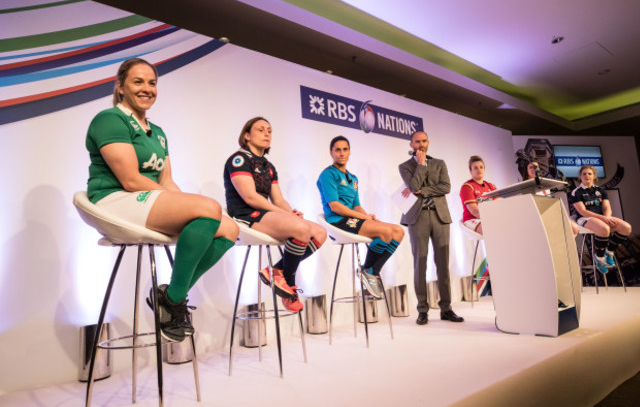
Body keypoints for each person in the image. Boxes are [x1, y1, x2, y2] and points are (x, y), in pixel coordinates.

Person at [85, 58, 239, 342]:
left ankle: (171, 297)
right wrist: (198, 207)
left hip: (145, 199)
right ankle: (172, 301)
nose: (147, 88)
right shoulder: (110, 119)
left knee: (229, 228)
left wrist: (189, 203)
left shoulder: (158, 133)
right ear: (120, 87)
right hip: (114, 199)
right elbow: (130, 179)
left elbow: (166, 181)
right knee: (209, 209)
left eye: (152, 83)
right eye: (138, 81)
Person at [224, 117, 327, 312]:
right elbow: (250, 198)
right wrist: (286, 215)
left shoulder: (268, 166)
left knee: (319, 232)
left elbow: (278, 200)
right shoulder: (239, 159)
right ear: (247, 136)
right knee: (301, 229)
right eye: (261, 130)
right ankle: (288, 282)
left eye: (269, 131)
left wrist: (290, 212)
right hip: (245, 216)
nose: (266, 134)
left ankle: (276, 271)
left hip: (265, 215)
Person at [317, 136, 404, 298]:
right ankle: (370, 272)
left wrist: (367, 217)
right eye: (337, 150)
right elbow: (335, 206)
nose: (342, 153)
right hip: (337, 221)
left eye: (345, 149)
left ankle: (370, 271)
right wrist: (362, 217)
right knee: (384, 232)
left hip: (352, 219)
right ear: (331, 153)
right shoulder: (328, 174)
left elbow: (357, 205)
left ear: (349, 152)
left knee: (398, 231)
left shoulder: (353, 178)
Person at [398, 131, 463, 325]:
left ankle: (446, 308)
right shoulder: (405, 166)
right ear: (411, 143)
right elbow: (413, 183)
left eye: (424, 141)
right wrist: (421, 165)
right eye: (417, 142)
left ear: (428, 142)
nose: (421, 145)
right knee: (420, 263)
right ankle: (422, 310)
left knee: (443, 263)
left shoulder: (440, 163)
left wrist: (423, 191)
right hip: (417, 217)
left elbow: (446, 187)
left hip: (440, 216)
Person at [569, 164, 632, 274]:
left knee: (626, 228)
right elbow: (583, 211)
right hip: (584, 218)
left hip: (601, 217)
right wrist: (603, 218)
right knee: (604, 229)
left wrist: (607, 217)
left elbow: (607, 207)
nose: (587, 176)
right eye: (584, 174)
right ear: (580, 176)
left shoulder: (600, 190)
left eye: (589, 174)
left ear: (594, 176)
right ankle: (599, 258)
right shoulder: (576, 192)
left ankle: (609, 251)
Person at [523, 160, 579, 235]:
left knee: (573, 228)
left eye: (536, 167)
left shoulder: (545, 185)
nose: (534, 169)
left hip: (548, 214)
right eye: (531, 167)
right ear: (526, 171)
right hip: (535, 218)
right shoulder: (523, 187)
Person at [459, 156, 497, 235]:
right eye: (475, 168)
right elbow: (475, 211)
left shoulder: (491, 186)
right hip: (473, 219)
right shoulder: (467, 187)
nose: (479, 169)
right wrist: (492, 218)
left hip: (490, 217)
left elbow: (498, 204)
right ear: (471, 171)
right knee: (492, 229)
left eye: (481, 167)